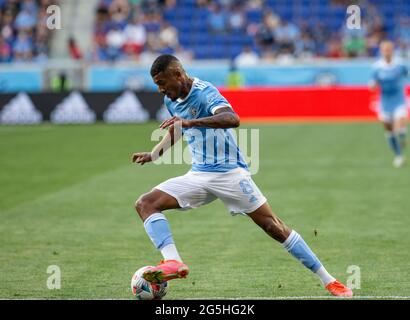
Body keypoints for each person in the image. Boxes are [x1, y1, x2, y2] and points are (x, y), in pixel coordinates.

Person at [131, 54, 353, 297]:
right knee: (146, 203)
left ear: (178, 74)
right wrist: (154, 153)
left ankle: (329, 280)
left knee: (273, 226)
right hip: (198, 175)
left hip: (230, 174)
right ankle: (173, 262)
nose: (161, 89)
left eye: (162, 82)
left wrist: (191, 123)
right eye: (157, 85)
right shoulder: (170, 99)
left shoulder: (205, 92)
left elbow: (232, 119)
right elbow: (177, 128)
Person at [369, 41, 408, 167]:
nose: (386, 52)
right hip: (385, 102)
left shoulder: (400, 65)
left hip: (399, 99)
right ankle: (399, 155)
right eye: (384, 50)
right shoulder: (377, 67)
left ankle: (402, 134)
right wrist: (373, 86)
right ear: (381, 51)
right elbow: (372, 84)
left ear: (392, 50)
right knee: (389, 130)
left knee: (399, 125)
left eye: (389, 50)